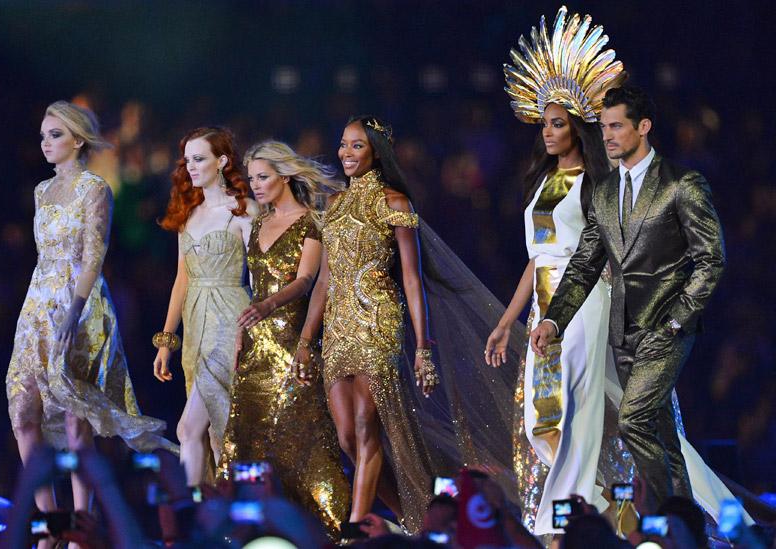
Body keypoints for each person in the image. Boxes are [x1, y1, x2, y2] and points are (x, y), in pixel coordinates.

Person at [293, 116, 522, 532]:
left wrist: (421, 346)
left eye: (357, 146)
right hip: (339, 326)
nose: (346, 153)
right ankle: (411, 518)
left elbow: (413, 278)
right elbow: (324, 279)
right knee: (347, 435)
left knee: (366, 424)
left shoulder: (395, 202)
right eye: (343, 144)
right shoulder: (333, 206)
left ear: (376, 152)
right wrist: (306, 340)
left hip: (379, 320)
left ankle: (358, 526)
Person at [530, 84, 726, 510]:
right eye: (604, 128)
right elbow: (584, 265)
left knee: (633, 419)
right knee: (662, 436)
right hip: (623, 331)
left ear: (644, 127)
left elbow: (711, 260)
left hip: (667, 328)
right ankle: (685, 527)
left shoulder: (681, 184)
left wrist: (678, 318)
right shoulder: (603, 192)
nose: (609, 136)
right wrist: (553, 319)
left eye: (617, 126)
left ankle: (661, 518)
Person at [492, 6, 630, 534]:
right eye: (544, 123)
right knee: (539, 424)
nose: (547, 132)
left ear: (576, 127)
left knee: (577, 414)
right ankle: (610, 516)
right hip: (543, 302)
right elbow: (537, 259)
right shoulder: (543, 182)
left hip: (586, 300)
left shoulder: (596, 183)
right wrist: (507, 322)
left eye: (557, 124)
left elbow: (609, 250)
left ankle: (560, 525)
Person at [6, 101, 173, 535]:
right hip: (37, 304)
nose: (46, 143)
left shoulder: (95, 187)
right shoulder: (41, 191)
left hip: (79, 307)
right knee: (23, 412)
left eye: (55, 134)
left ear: (78, 140)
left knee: (75, 419)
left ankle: (81, 525)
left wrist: (75, 311)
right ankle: (49, 522)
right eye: (43, 135)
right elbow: (43, 255)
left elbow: (93, 255)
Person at [218, 140, 349, 537]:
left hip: (293, 344)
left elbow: (307, 281)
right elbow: (252, 284)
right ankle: (247, 532)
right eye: (252, 178)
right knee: (245, 441)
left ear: (286, 176)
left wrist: (269, 305)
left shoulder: (312, 221)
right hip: (256, 348)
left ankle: (323, 531)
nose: (256, 186)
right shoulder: (257, 223)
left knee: (302, 442)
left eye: (264, 177)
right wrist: (243, 330)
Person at [154, 127, 257, 486]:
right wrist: (166, 341)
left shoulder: (244, 211)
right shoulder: (189, 213)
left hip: (230, 320)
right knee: (215, 433)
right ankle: (220, 520)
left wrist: (254, 331)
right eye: (188, 159)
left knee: (188, 427)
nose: (191, 166)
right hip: (195, 325)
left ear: (222, 161)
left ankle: (188, 520)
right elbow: (181, 280)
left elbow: (260, 279)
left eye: (200, 158)